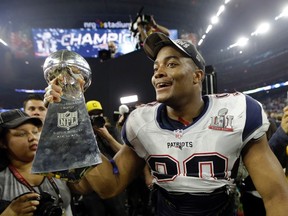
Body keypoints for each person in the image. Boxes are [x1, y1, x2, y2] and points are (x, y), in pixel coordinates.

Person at [44, 32, 288, 215]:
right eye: (156, 67)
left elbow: (276, 194)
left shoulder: (237, 111)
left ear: (197, 76)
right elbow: (109, 186)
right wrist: (71, 112)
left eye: (171, 64)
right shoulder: (141, 120)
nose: (158, 72)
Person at [0, 109, 74, 215]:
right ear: (3, 142)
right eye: (21, 134)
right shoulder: (3, 179)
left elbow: (102, 190)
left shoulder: (59, 165)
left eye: (35, 132)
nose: (32, 137)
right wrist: (10, 213)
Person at [79, 100, 127, 216]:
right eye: (92, 114)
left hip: (114, 181)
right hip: (91, 185)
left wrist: (107, 137)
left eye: (99, 114)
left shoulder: (110, 130)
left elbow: (123, 152)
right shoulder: (81, 133)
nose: (96, 117)